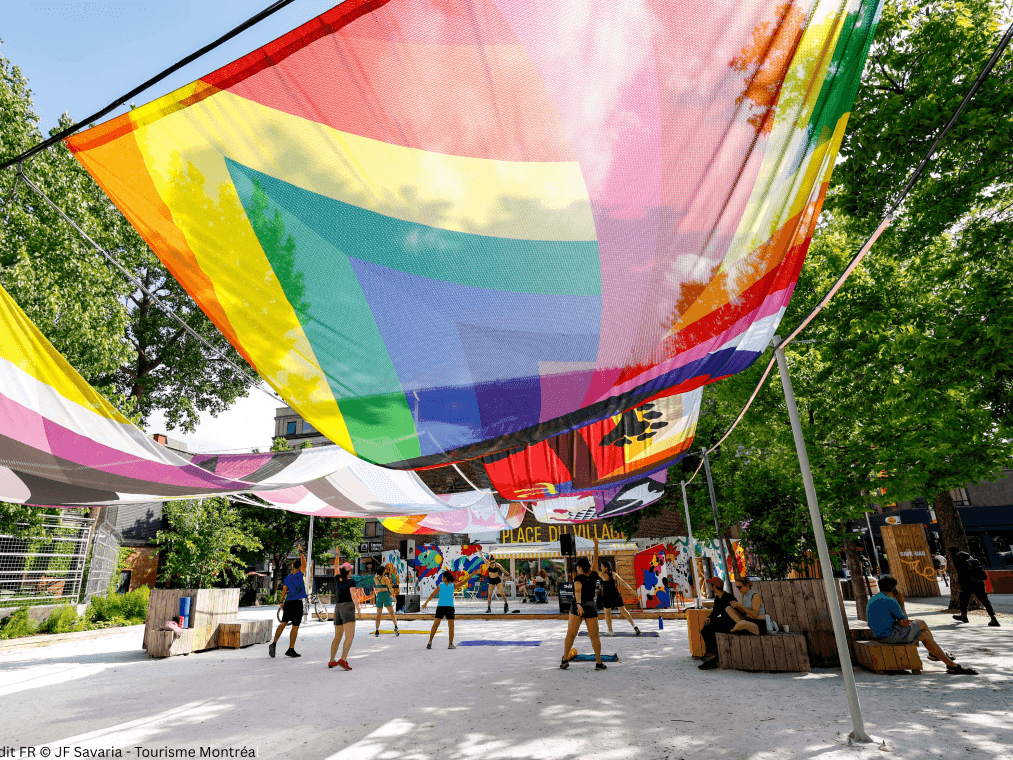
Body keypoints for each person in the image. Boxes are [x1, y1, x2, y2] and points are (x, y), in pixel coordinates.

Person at [867, 575, 976, 674]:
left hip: (879, 635)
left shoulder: (874, 599)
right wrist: (901, 604)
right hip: (890, 636)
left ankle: (950, 665)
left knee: (925, 635)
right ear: (894, 589)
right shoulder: (891, 601)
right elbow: (905, 621)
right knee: (922, 623)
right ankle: (933, 654)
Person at [560, 545, 606, 671]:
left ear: (580, 568)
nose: (576, 569)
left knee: (571, 634)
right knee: (594, 636)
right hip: (590, 606)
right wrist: (596, 545)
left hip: (577, 606)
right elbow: (596, 559)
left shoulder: (578, 578)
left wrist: (579, 604)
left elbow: (578, 591)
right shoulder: (595, 574)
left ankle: (564, 660)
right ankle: (598, 662)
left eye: (577, 567)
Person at [270, 546, 307, 658]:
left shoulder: (288, 578)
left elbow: (284, 592)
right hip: (297, 603)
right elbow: (305, 563)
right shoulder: (300, 575)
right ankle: (291, 649)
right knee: (295, 626)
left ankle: (274, 643)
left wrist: (281, 603)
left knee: (283, 623)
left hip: (288, 602)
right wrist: (301, 552)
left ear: (292, 567)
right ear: (300, 567)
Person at [597, 546, 641, 636]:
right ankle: (634, 626)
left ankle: (610, 630)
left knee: (607, 613)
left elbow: (594, 570)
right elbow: (623, 582)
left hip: (607, 596)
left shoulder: (604, 575)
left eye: (602, 566)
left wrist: (591, 561)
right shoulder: (614, 574)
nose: (601, 568)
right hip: (616, 594)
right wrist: (631, 590)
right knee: (623, 611)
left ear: (606, 568)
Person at [423, 569, 472, 649]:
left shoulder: (442, 585)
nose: (442, 578)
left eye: (442, 577)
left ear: (445, 578)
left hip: (442, 607)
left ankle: (430, 642)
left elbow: (432, 594)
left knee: (436, 625)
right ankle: (450, 644)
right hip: (449, 607)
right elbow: (463, 582)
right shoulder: (450, 585)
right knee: (449, 626)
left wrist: (426, 603)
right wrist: (472, 575)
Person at [951, 550, 999, 627]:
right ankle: (993, 618)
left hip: (967, 584)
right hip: (979, 583)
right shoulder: (975, 562)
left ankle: (964, 615)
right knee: (985, 600)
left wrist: (959, 585)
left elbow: (960, 574)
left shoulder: (959, 563)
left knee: (964, 599)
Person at [697, 577, 736, 670]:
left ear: (713, 586)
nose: (709, 586)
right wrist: (709, 618)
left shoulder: (728, 597)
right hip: (725, 621)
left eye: (710, 584)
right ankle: (711, 654)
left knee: (708, 630)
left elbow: (735, 613)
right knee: (706, 629)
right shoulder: (718, 598)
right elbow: (715, 612)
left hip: (731, 623)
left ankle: (713, 656)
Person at [328, 562, 358, 670]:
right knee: (350, 636)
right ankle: (343, 659)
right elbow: (353, 596)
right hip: (348, 607)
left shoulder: (338, 579)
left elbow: (336, 567)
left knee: (337, 636)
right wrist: (358, 609)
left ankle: (332, 660)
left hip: (338, 607)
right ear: (350, 571)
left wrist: (337, 555)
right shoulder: (351, 581)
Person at [373, 564, 400, 637]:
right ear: (383, 571)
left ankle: (377, 630)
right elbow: (390, 588)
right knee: (391, 612)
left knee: (378, 615)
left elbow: (376, 577)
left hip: (379, 595)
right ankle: (396, 627)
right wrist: (394, 597)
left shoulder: (375, 578)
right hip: (385, 595)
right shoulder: (385, 578)